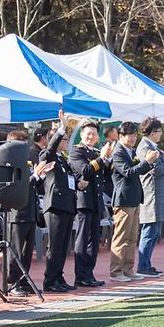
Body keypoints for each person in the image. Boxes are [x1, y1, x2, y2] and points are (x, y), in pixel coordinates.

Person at [4, 130, 55, 297]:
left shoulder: (23, 163)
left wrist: (40, 175)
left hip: (29, 211)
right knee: (16, 251)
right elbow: (18, 187)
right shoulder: (8, 163)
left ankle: (23, 281)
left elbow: (31, 185)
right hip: (17, 214)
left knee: (26, 252)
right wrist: (35, 175)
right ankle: (13, 282)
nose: (26, 148)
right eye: (22, 144)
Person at [41, 111, 87, 292]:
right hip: (55, 206)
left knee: (63, 246)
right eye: (64, 139)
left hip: (67, 205)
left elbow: (67, 180)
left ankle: (58, 277)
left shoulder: (63, 159)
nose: (67, 142)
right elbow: (48, 152)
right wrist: (61, 128)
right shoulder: (50, 155)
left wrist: (78, 183)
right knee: (55, 244)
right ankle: (50, 280)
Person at [110, 121, 157, 282]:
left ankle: (128, 269)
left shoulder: (130, 151)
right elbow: (128, 172)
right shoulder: (118, 152)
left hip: (134, 199)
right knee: (121, 237)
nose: (133, 138)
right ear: (121, 136)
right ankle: (116, 272)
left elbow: (137, 170)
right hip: (123, 200)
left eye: (135, 135)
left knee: (132, 238)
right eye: (130, 135)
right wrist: (147, 162)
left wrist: (147, 163)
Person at [69, 121, 114, 287]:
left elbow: (105, 175)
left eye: (94, 134)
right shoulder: (76, 151)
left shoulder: (95, 152)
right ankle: (80, 276)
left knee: (94, 240)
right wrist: (102, 158)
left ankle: (89, 274)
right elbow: (86, 171)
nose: (91, 137)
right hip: (83, 200)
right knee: (83, 239)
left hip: (96, 200)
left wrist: (107, 159)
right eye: (88, 134)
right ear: (82, 135)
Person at [137, 117, 164, 277]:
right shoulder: (145, 147)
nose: (161, 134)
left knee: (153, 232)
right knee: (149, 231)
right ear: (153, 132)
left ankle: (146, 263)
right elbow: (155, 170)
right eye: (159, 131)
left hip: (158, 194)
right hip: (151, 194)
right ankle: (143, 265)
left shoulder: (152, 146)